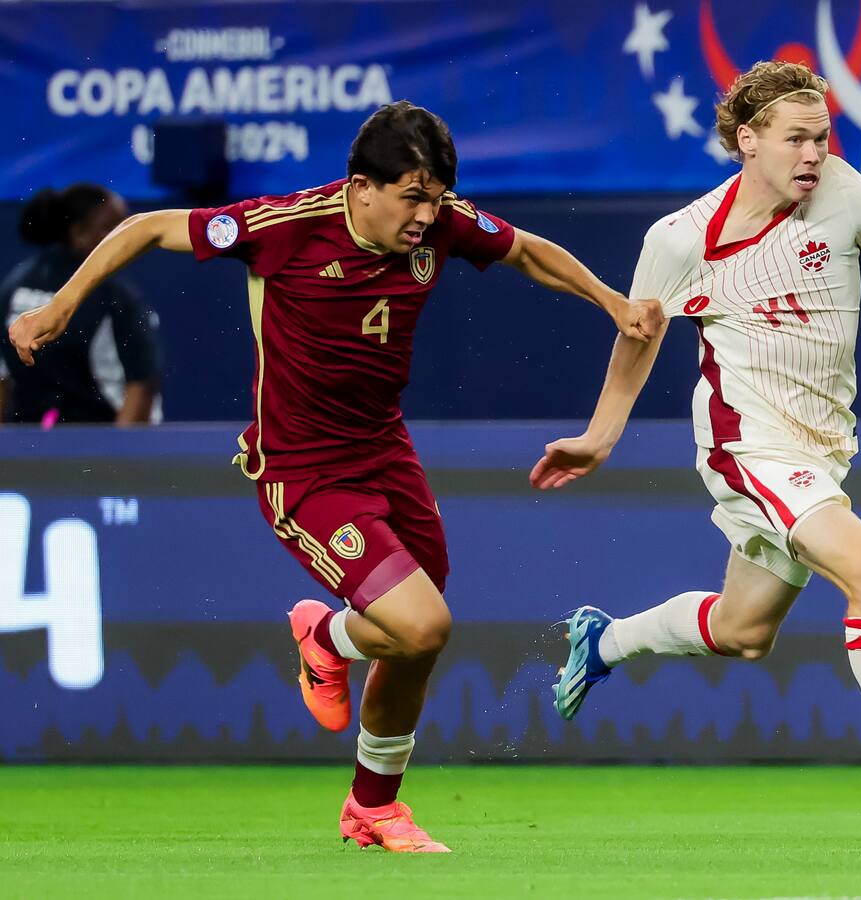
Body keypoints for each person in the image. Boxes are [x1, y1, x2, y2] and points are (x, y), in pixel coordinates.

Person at [9, 100, 663, 853]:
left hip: (386, 455)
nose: (427, 216)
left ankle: (365, 781)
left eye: (438, 198)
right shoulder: (285, 227)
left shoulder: (439, 223)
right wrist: (62, 305)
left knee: (414, 638)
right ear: (361, 188)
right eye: (412, 197)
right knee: (423, 625)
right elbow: (148, 227)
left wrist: (612, 302)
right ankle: (340, 679)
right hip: (303, 470)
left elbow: (525, 251)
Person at [533, 61, 861, 834]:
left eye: (821, 136)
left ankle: (604, 639)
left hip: (822, 450)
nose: (813, 154)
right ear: (747, 141)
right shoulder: (681, 239)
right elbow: (637, 341)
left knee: (744, 633)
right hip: (746, 443)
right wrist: (600, 436)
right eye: (796, 139)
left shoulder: (847, 193)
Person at [0, 184, 160, 426]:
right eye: (114, 227)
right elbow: (142, 383)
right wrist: (121, 460)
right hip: (100, 448)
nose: (127, 238)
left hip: (27, 450)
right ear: (79, 232)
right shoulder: (114, 295)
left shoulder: (14, 283)